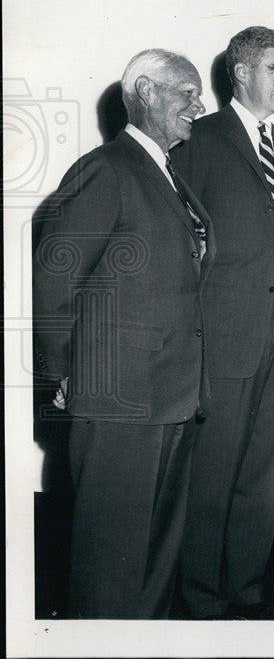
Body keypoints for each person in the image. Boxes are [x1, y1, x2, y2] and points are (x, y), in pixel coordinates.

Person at [33, 49, 214, 618]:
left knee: (156, 562)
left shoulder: (168, 175)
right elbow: (52, 278)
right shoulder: (107, 168)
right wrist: (60, 373)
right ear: (144, 91)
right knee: (108, 567)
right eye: (186, 92)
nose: (198, 104)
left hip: (174, 397)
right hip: (116, 399)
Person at [170, 26, 274, 619]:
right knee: (210, 478)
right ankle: (199, 600)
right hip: (221, 339)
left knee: (264, 476)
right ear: (242, 72)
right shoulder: (195, 138)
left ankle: (244, 591)